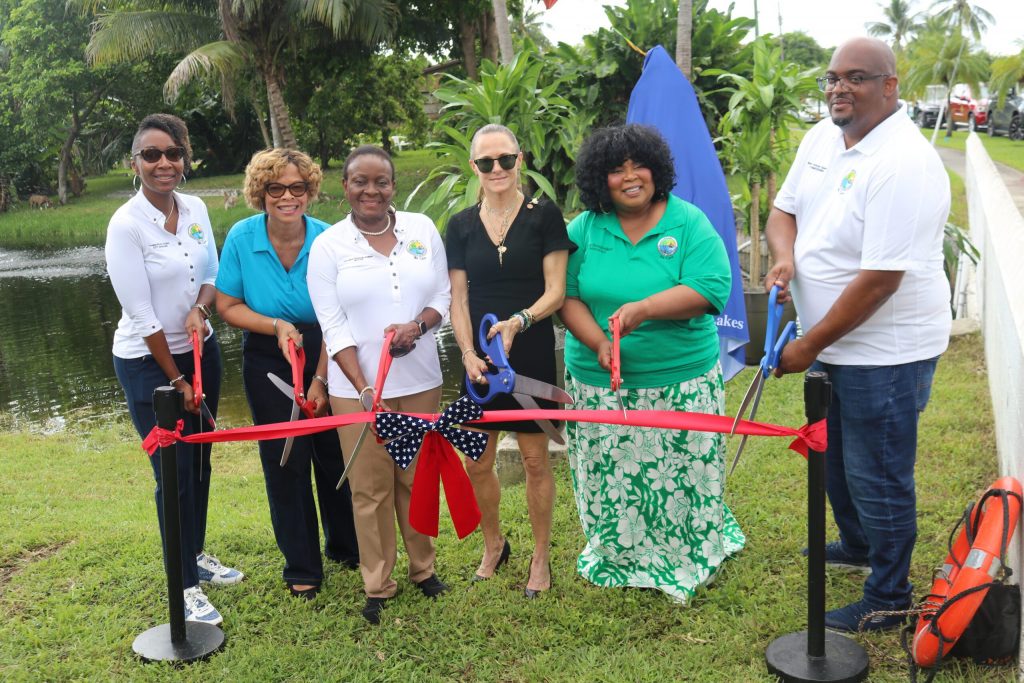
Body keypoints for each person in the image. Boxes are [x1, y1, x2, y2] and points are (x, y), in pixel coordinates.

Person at [765, 37, 951, 632]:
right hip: (831, 341)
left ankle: (889, 597)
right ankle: (857, 544)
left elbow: (879, 281)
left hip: (885, 352)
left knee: (878, 473)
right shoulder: (823, 137)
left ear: (889, 86)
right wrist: (785, 259)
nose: (838, 88)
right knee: (836, 459)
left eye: (856, 77)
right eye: (832, 77)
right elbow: (783, 211)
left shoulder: (904, 162)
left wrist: (808, 345)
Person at [559, 123, 744, 603]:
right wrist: (599, 342)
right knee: (613, 476)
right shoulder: (584, 230)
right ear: (600, 179)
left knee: (681, 474)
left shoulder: (688, 222)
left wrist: (644, 309)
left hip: (680, 380)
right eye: (616, 170)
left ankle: (686, 551)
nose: (630, 177)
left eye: (639, 165)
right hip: (600, 385)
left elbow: (711, 289)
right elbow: (565, 295)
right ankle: (620, 552)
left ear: (656, 170)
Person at [105, 113, 242, 627]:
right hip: (149, 364)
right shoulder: (126, 225)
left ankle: (196, 555)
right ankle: (183, 584)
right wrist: (178, 381)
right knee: (174, 474)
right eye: (151, 154)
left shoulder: (197, 208)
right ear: (135, 163)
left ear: (184, 159)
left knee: (200, 463)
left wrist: (202, 309)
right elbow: (141, 315)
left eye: (173, 153)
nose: (163, 163)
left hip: (200, 352)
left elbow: (212, 273)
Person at [307, 145, 452, 624]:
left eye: (381, 182)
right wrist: (364, 388)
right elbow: (332, 326)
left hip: (421, 381)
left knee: (415, 479)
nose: (371, 190)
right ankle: (378, 583)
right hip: (357, 392)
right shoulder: (328, 246)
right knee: (369, 489)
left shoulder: (421, 229)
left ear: (393, 185)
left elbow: (442, 295)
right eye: (360, 181)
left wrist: (419, 325)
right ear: (344, 186)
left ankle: (423, 569)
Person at [215, 148, 360, 600]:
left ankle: (346, 547)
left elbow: (341, 314)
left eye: (297, 187)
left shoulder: (329, 238)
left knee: (334, 452)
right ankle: (302, 565)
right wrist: (276, 325)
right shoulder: (241, 238)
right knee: (285, 458)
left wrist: (320, 378)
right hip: (267, 353)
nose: (287, 197)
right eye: (275, 187)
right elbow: (227, 305)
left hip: (327, 348)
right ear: (261, 192)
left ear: (310, 190)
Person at [446, 124, 572, 597]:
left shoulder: (544, 216)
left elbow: (556, 291)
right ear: (474, 167)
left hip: (530, 353)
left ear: (520, 161)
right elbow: (459, 299)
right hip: (479, 359)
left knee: (536, 460)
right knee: (476, 461)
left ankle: (540, 556)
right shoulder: (460, 225)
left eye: (504, 159)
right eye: (486, 161)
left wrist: (520, 320)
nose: (496, 168)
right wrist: (467, 353)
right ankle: (494, 543)